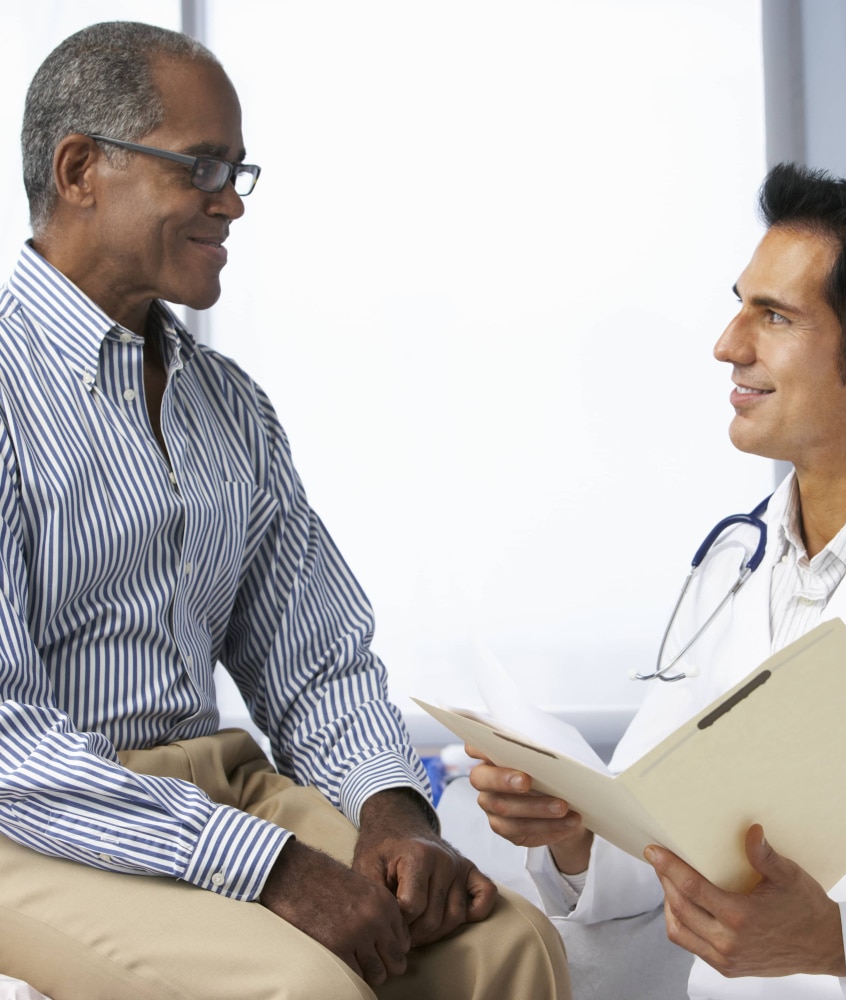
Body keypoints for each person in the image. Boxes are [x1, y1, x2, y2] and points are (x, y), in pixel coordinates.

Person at [0, 21, 570, 1000]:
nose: (231, 202)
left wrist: (394, 813)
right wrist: (266, 864)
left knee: (505, 943)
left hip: (221, 785)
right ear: (81, 168)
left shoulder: (229, 406)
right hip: (36, 819)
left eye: (237, 171)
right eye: (202, 167)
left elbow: (313, 661)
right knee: (307, 989)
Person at [469, 163, 846, 998]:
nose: (728, 344)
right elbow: (664, 840)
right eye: (739, 303)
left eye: (775, 316)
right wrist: (571, 832)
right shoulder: (736, 566)